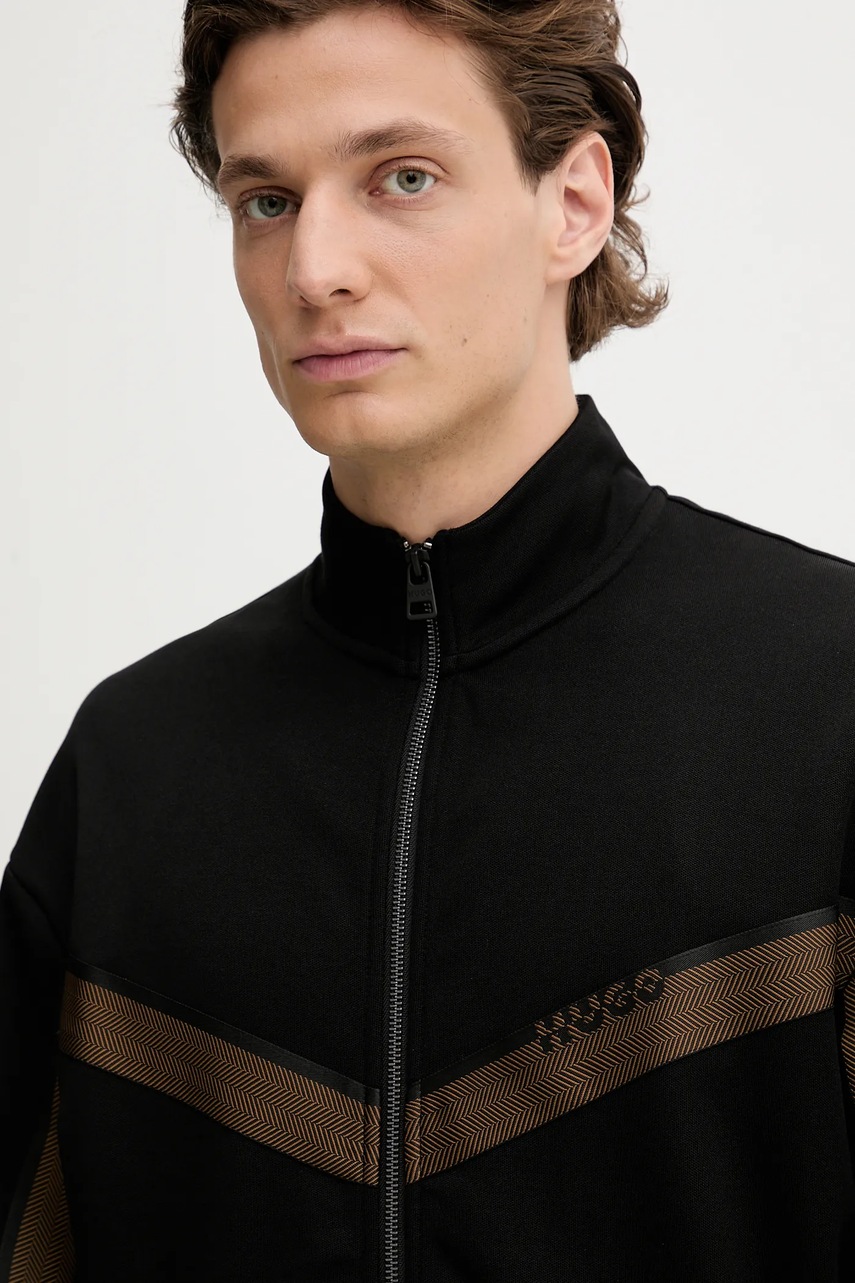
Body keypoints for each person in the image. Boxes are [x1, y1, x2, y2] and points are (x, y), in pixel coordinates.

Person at [2, 1, 854, 1279]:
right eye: (267, 201)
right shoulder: (131, 770)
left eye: (402, 178)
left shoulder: (828, 701)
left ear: (574, 205)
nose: (315, 269)